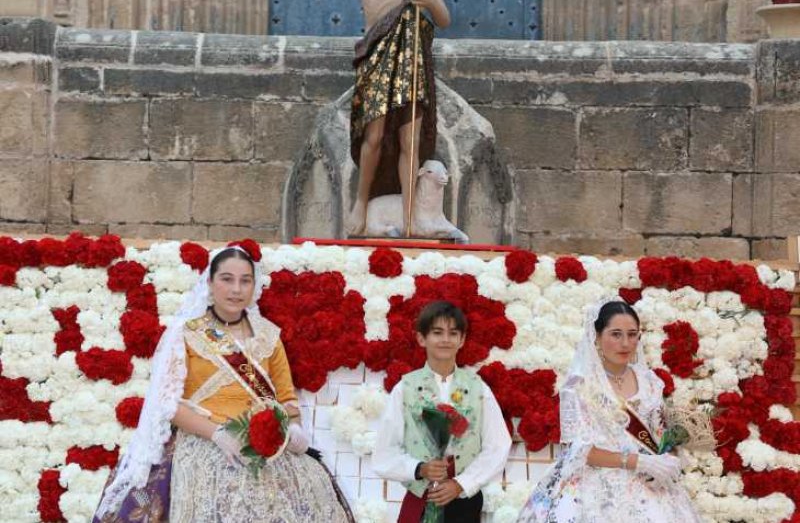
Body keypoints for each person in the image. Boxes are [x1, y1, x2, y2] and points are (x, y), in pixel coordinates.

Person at [93, 245, 354, 522]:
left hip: (266, 451)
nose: (236, 289)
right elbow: (167, 404)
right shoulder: (187, 334)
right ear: (209, 282)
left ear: (254, 286)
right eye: (227, 279)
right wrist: (217, 434)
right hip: (203, 444)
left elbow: (286, 397)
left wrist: (294, 427)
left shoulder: (268, 336)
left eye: (245, 281)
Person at [516, 300, 703, 523]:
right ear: (596, 336)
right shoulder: (579, 386)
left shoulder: (650, 382)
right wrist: (637, 462)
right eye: (616, 334)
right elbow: (577, 450)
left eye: (632, 334)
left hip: (650, 487)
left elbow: (662, 437)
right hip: (593, 488)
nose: (625, 343)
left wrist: (666, 461)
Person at [372, 300, 512, 522]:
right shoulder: (405, 389)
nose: (445, 340)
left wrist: (461, 483)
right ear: (421, 338)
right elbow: (384, 453)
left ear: (462, 340)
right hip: (422, 496)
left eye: (453, 333)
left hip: (464, 499)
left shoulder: (478, 388)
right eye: (437, 332)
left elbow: (498, 445)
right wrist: (420, 468)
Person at [347, 0, 451, 236]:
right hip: (378, 53)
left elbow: (444, 19)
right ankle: (361, 201)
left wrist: (430, 1)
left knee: (410, 140)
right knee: (374, 136)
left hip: (411, 60)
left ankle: (409, 215)